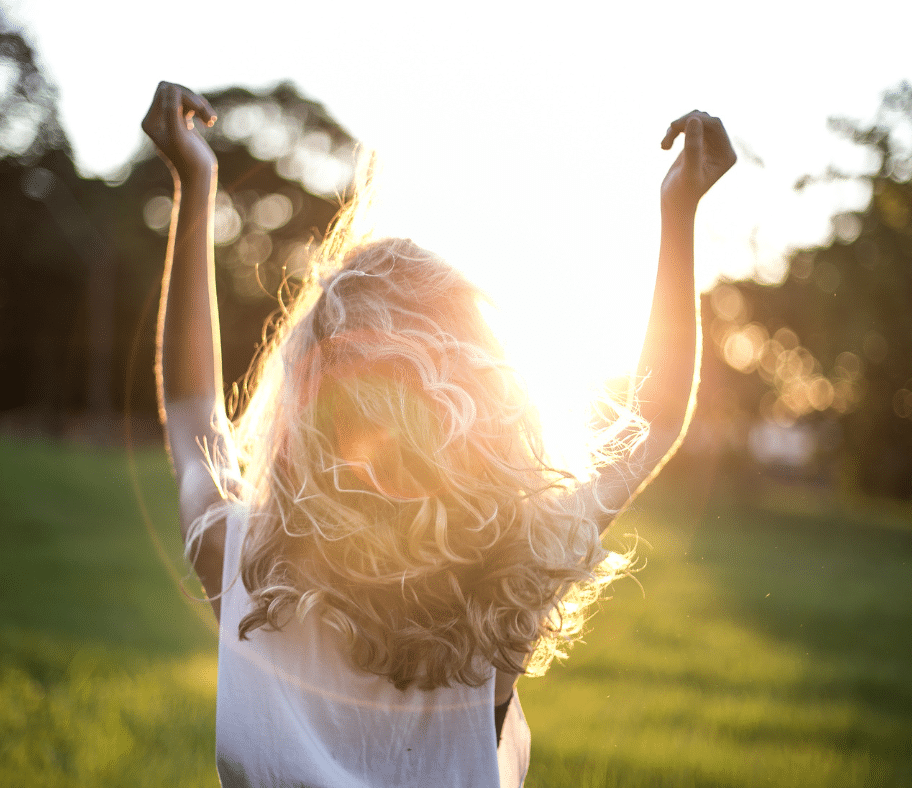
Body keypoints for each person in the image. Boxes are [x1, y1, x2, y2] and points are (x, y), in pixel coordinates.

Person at [142, 81, 735, 788]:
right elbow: (654, 415)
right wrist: (680, 211)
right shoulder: (509, 575)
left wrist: (196, 181)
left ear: (303, 412)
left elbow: (193, 409)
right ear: (481, 405)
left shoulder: (241, 559)